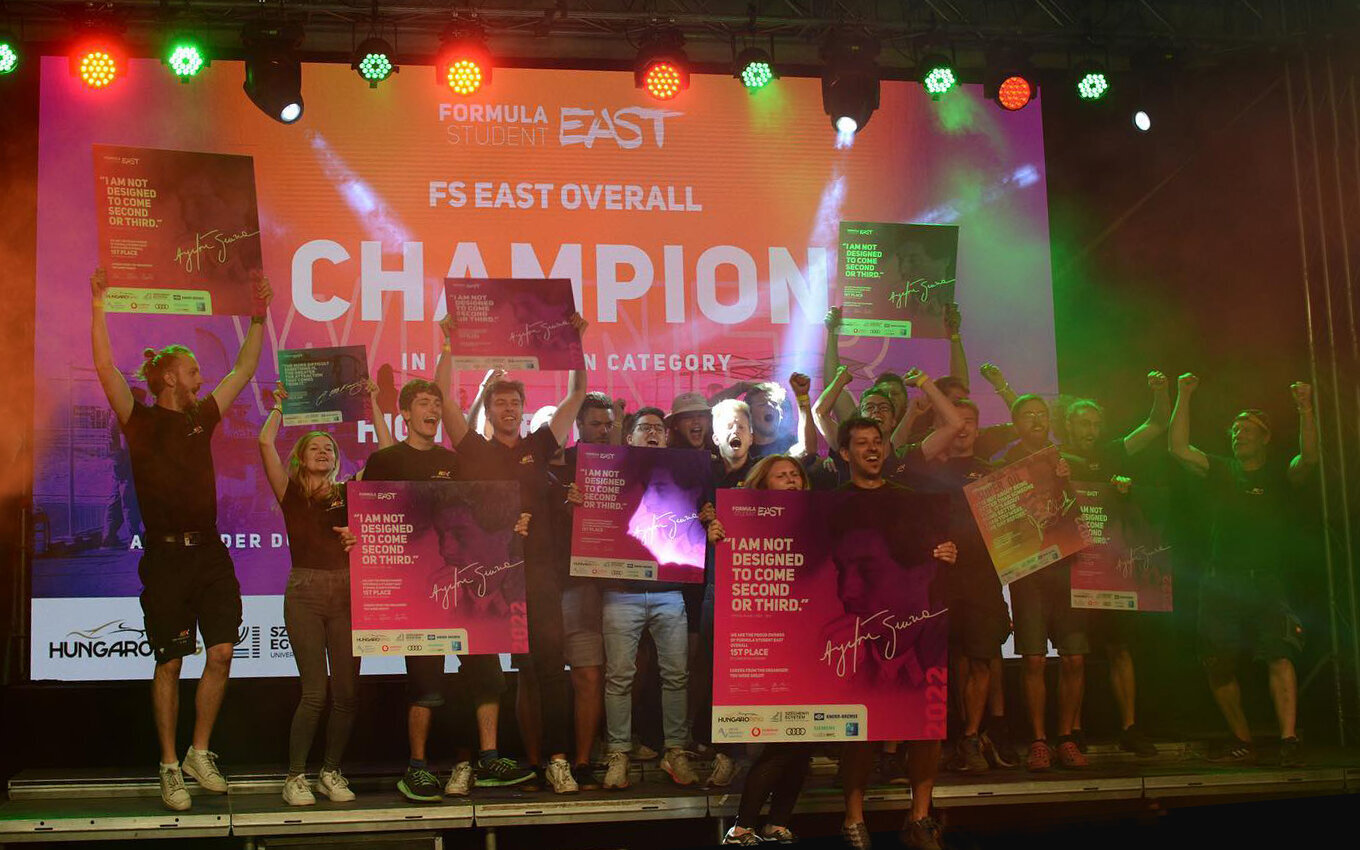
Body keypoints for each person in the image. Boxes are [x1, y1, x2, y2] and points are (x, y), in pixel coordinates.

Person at [90, 266, 273, 811]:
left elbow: (243, 367)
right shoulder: (139, 420)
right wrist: (99, 306)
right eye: (192, 370)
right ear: (169, 377)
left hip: (211, 554)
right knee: (169, 662)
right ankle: (169, 766)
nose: (200, 376)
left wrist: (259, 313)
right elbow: (104, 367)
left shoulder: (202, 418)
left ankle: (200, 751)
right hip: (166, 559)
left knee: (220, 651)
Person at [440, 315, 591, 795]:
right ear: (487, 408)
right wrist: (448, 344)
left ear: (524, 410)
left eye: (515, 401)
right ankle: (467, 762)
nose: (508, 407)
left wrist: (575, 343)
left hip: (538, 572)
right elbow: (443, 399)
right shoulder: (473, 450)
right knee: (477, 670)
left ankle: (558, 761)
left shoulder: (538, 445)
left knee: (549, 667)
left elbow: (576, 398)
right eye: (499, 400)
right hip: (484, 575)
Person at [1169, 374, 1316, 767]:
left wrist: (1304, 408)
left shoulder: (1277, 475)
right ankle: (1243, 740)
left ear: (1265, 437)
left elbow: (1310, 459)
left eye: (1247, 429)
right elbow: (1179, 448)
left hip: (1265, 580)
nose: (1239, 434)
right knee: (1217, 661)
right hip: (1221, 581)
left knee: (1278, 654)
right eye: (1235, 429)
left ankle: (1288, 739)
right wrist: (1183, 395)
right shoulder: (1222, 469)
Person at [258, 381, 393, 805]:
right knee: (315, 692)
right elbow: (264, 441)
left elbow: (386, 458)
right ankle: (295, 776)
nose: (323, 453)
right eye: (315, 447)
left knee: (347, 694)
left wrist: (371, 404)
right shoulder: (291, 493)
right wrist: (279, 407)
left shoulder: (347, 493)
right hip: (305, 592)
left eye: (329, 450)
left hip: (347, 593)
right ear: (301, 457)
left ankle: (330, 773)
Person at [830, 415, 958, 850]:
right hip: (854, 635)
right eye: (860, 443)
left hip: (918, 624)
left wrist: (947, 550)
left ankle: (920, 818)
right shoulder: (830, 503)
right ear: (845, 453)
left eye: (877, 442)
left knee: (927, 725)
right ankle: (854, 820)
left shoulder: (913, 501)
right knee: (860, 729)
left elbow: (938, 549)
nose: (871, 449)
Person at [892, 398, 1012, 774]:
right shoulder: (923, 470)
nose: (962, 429)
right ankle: (928, 739)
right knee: (929, 663)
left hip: (981, 580)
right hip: (935, 578)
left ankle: (972, 738)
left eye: (970, 422)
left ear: (978, 430)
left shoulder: (994, 473)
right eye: (955, 422)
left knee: (980, 659)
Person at [1059, 371, 1171, 758]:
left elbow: (1156, 425)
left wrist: (1161, 391)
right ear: (1068, 425)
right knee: (1075, 654)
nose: (1089, 429)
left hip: (1111, 569)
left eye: (1094, 423)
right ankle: (1072, 730)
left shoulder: (1112, 453)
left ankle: (1129, 727)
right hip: (1072, 567)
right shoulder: (1057, 460)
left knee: (1120, 647)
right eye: (1082, 423)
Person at [710, 455, 814, 845]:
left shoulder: (820, 520)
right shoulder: (741, 521)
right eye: (781, 475)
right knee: (783, 742)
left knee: (807, 741)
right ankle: (742, 827)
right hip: (766, 645)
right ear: (763, 485)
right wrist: (717, 533)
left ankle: (777, 823)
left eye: (795, 475)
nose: (791, 480)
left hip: (809, 641)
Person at [600, 408, 697, 789]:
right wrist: (579, 499)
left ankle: (675, 751)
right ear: (630, 437)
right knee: (619, 677)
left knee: (676, 676)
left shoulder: (685, 473)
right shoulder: (606, 473)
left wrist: (705, 514)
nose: (653, 433)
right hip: (620, 593)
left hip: (670, 591)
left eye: (658, 428)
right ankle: (618, 753)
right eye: (645, 428)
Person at [547, 392, 616, 789]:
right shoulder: (559, 460)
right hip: (548, 580)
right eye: (595, 424)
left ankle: (584, 761)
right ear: (579, 426)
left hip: (591, 585)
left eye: (608, 424)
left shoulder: (625, 464)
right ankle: (543, 761)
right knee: (539, 677)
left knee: (589, 676)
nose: (603, 431)